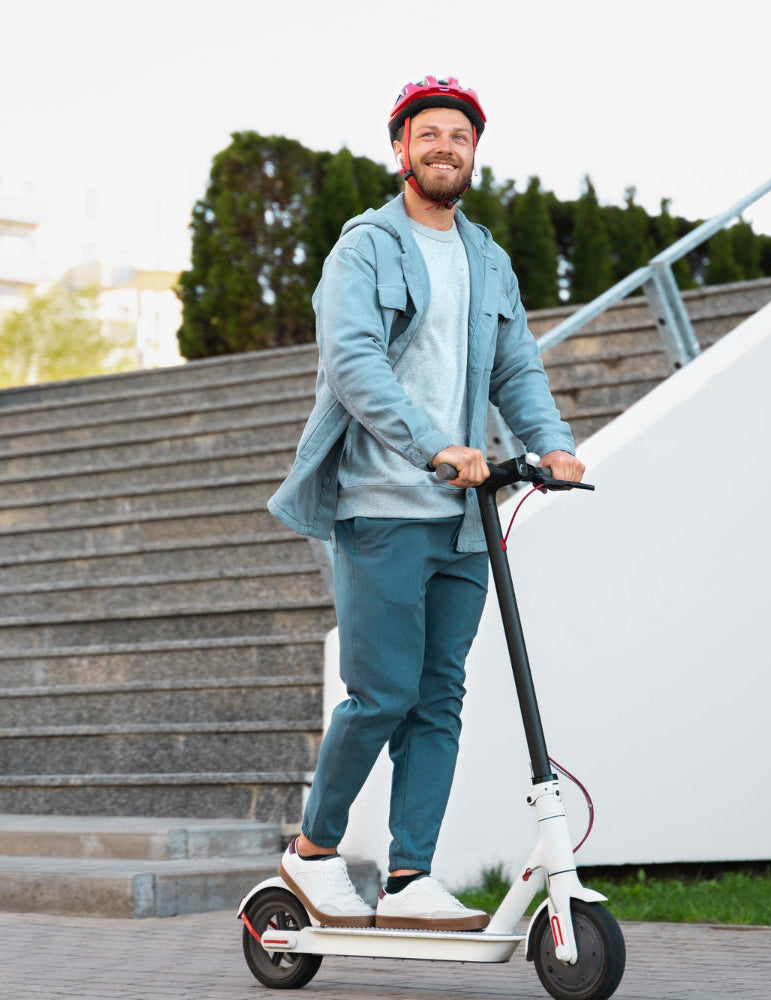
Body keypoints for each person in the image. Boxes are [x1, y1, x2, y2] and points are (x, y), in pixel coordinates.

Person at [267, 75, 585, 931]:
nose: (447, 147)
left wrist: (551, 442)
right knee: (380, 692)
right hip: (382, 504)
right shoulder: (364, 247)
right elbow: (354, 361)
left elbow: (517, 367)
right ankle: (312, 854)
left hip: (463, 522)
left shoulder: (487, 259)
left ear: (474, 153)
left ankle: (409, 876)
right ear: (401, 149)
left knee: (439, 695)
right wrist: (433, 445)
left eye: (461, 136)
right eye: (430, 134)